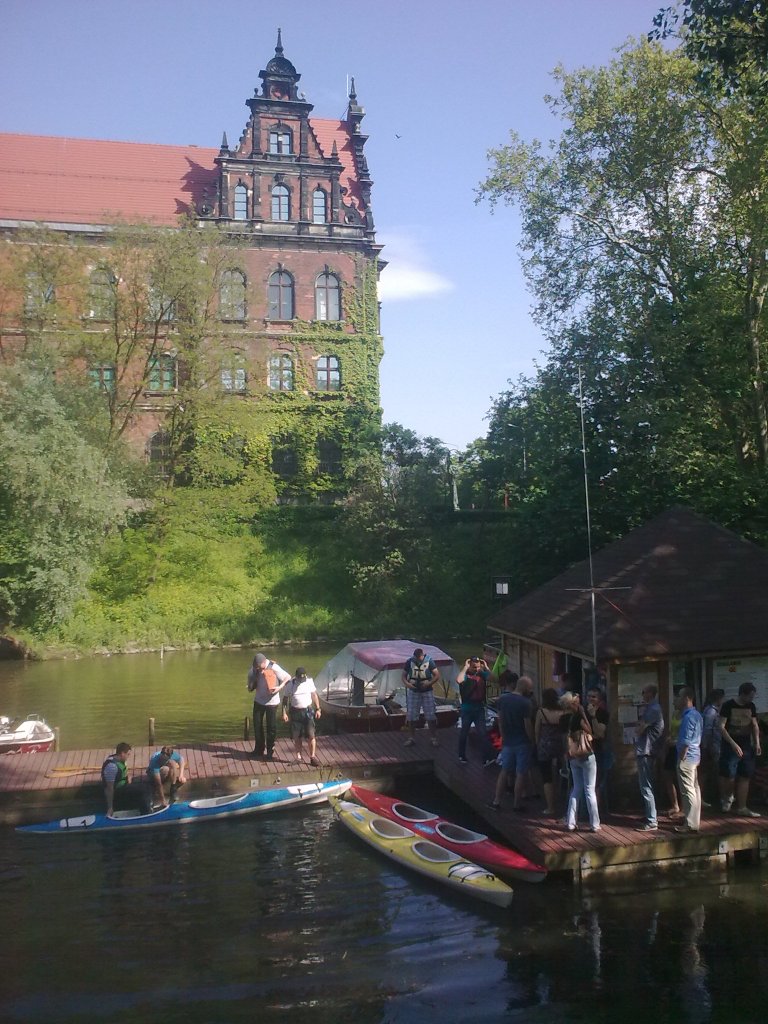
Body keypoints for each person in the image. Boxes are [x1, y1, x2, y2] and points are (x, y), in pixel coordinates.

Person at [718, 682, 762, 817]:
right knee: (729, 774)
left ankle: (742, 806)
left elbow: (754, 725)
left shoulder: (751, 706)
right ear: (742, 694)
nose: (751, 699)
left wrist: (757, 743)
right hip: (730, 742)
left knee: (745, 774)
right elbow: (721, 726)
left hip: (746, 743)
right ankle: (728, 796)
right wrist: (733, 744)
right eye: (749, 696)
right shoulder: (728, 705)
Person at [491, 673, 533, 812]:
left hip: (508, 741)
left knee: (504, 771)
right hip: (522, 742)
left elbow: (500, 720)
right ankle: (516, 803)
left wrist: (503, 736)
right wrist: (532, 739)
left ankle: (497, 801)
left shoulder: (502, 699)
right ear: (525, 688)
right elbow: (527, 725)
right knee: (521, 772)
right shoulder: (526, 703)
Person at [563, 696, 601, 832]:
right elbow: (590, 730)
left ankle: (571, 822)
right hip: (586, 755)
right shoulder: (578, 717)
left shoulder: (564, 719)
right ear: (573, 705)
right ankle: (594, 824)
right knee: (590, 789)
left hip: (573, 756)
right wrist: (584, 714)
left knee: (576, 789)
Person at [248, 652, 291, 760]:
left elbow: (288, 677)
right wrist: (250, 685)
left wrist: (279, 687)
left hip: (272, 702)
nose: (258, 669)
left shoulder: (274, 667)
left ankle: (270, 750)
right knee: (257, 725)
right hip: (259, 701)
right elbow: (250, 681)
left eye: (259, 667)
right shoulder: (255, 669)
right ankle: (259, 748)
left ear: (264, 662)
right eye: (256, 667)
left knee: (271, 727)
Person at [634, 684, 665, 832]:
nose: (642, 694)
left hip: (646, 751)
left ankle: (652, 820)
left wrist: (639, 727)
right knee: (646, 785)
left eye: (644, 692)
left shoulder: (653, 709)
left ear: (651, 693)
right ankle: (649, 814)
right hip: (647, 751)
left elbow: (639, 730)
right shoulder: (652, 708)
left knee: (646, 786)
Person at [674, 687, 703, 833]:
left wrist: (681, 758)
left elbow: (686, 741)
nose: (676, 699)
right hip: (695, 756)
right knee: (694, 789)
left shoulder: (688, 717)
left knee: (687, 791)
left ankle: (690, 824)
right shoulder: (697, 715)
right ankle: (694, 820)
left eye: (678, 696)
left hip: (687, 758)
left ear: (686, 698)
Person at [535, 687, 567, 816]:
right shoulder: (563, 712)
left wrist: (537, 744)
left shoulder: (541, 712)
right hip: (560, 745)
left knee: (547, 777)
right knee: (562, 774)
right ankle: (563, 801)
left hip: (545, 746)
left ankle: (550, 807)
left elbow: (537, 730)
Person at [456, 655, 494, 765]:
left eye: (478, 667)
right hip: (467, 709)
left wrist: (486, 667)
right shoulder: (465, 675)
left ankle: (486, 758)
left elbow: (494, 679)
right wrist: (465, 667)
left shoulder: (482, 674)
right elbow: (458, 680)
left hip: (479, 708)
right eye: (474, 667)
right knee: (464, 732)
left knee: (482, 733)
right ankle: (461, 755)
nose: (476, 669)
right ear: (469, 667)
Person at [282, 667, 322, 766]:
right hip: (295, 712)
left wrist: (318, 709)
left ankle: (312, 757)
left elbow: (314, 695)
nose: (301, 681)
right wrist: (284, 713)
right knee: (297, 736)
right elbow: (285, 699)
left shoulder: (309, 682)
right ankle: (298, 757)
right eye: (299, 679)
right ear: (296, 677)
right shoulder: (290, 684)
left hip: (307, 712)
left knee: (311, 735)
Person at [401, 647, 440, 748]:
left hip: (427, 691)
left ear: (423, 655)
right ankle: (411, 738)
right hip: (414, 690)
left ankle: (433, 738)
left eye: (419, 658)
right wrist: (408, 684)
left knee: (431, 714)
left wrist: (429, 683)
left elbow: (436, 675)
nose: (418, 659)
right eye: (416, 658)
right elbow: (403, 676)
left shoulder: (429, 661)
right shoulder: (409, 662)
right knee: (412, 715)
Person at [101, 742, 150, 816]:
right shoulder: (111, 767)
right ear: (122, 753)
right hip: (118, 790)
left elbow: (125, 771)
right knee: (144, 789)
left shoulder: (122, 760)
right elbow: (109, 788)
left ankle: (144, 805)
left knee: (146, 784)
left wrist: (129, 778)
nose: (129, 756)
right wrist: (110, 807)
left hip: (124, 784)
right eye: (128, 754)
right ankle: (146, 813)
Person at [585, 686, 612, 810]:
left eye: (593, 696)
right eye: (589, 696)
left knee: (596, 782)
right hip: (583, 749)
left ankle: (595, 810)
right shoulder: (582, 712)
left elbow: (600, 733)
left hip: (597, 750)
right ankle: (583, 810)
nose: (590, 699)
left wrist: (593, 717)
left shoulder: (602, 713)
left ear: (599, 699)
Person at [700, 688, 725, 805]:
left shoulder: (709, 710)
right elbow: (707, 730)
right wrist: (706, 746)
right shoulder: (711, 712)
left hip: (711, 745)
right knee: (705, 772)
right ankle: (701, 797)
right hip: (710, 746)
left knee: (707, 772)